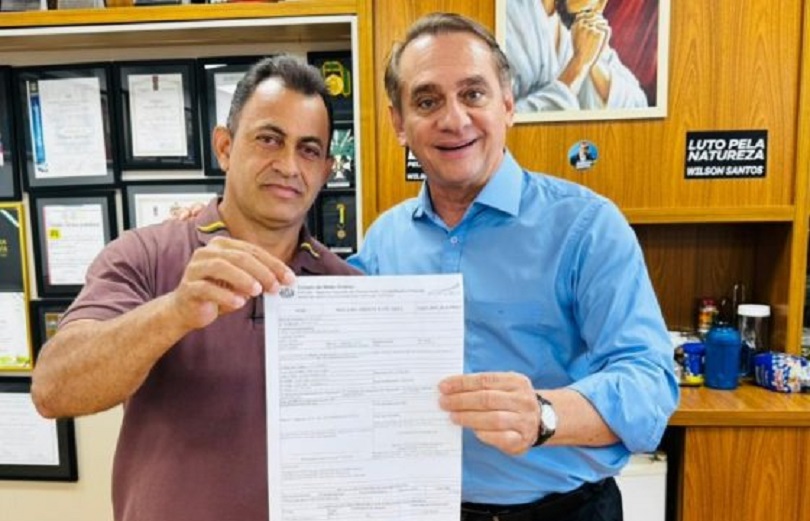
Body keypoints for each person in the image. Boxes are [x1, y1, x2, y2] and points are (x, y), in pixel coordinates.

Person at [347, 12, 678, 521]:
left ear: (507, 105)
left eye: (473, 94)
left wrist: (544, 415)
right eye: (427, 101)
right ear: (398, 123)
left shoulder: (587, 227)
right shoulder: (383, 241)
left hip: (564, 512)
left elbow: (650, 385)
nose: (454, 119)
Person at [30, 55, 360, 521]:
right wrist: (175, 311)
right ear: (224, 146)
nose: (288, 165)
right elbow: (53, 389)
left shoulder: (349, 290)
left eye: (308, 150)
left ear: (326, 171)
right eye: (269, 139)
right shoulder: (143, 256)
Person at [506, 0, 649, 112]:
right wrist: (578, 65)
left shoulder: (575, 21)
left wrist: (592, 62)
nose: (601, 5)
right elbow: (507, 122)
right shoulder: (508, 17)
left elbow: (637, 105)